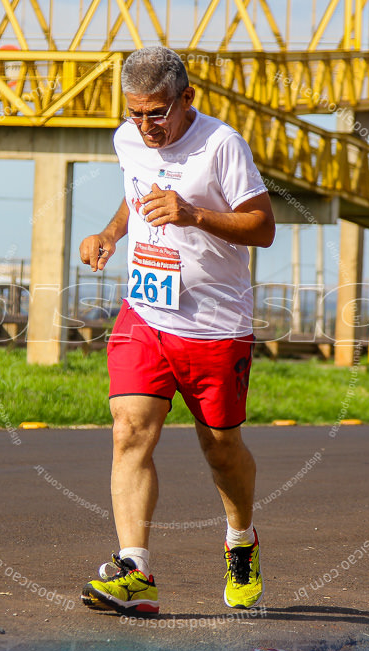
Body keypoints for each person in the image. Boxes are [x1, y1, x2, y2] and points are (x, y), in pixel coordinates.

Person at [77, 46, 275, 616]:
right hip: (146, 313)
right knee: (129, 430)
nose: (145, 126)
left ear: (187, 98)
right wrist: (112, 233)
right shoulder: (128, 140)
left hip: (215, 325)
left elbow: (262, 227)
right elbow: (136, 194)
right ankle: (135, 571)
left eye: (157, 113)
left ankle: (241, 540)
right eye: (135, 113)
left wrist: (194, 215)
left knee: (221, 449)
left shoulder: (221, 146)